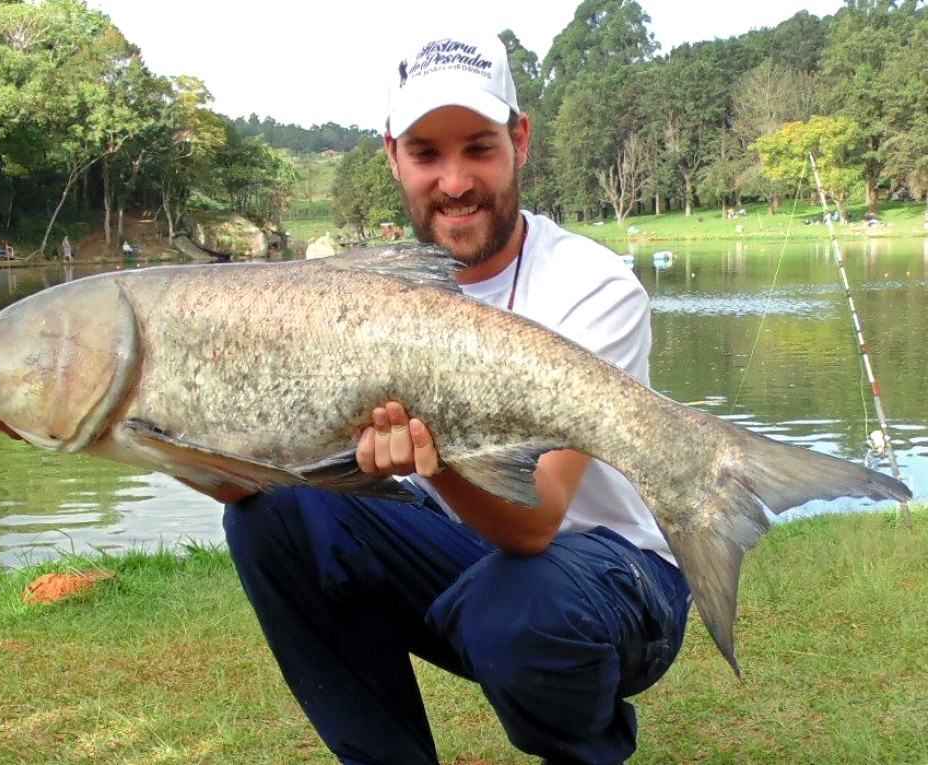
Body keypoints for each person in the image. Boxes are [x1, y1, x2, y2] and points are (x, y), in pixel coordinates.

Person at [219, 32, 690, 765]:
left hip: (615, 580)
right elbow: (246, 478)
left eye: (478, 148)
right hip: (471, 555)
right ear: (393, 156)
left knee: (524, 606)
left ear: (519, 140)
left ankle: (588, 752)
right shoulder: (362, 294)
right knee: (271, 513)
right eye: (426, 154)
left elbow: (536, 522)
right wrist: (127, 426)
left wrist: (435, 459)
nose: (455, 181)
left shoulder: (593, 287)